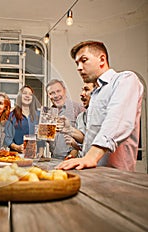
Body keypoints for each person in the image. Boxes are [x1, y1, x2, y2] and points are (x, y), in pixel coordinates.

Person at [56, 40, 143, 172]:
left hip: (115, 176)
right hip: (91, 172)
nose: (79, 67)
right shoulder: (95, 94)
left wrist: (90, 157)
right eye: (77, 63)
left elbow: (117, 121)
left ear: (102, 59)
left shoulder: (125, 79)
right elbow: (91, 136)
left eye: (84, 60)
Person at [46, 79, 85, 160]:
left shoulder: (78, 108)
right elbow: (48, 139)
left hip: (72, 159)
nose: (56, 95)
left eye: (58, 91)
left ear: (65, 91)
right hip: (54, 158)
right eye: (51, 93)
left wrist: (73, 153)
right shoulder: (49, 113)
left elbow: (88, 138)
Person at [4, 85, 44, 157]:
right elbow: (7, 138)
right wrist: (17, 147)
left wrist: (41, 153)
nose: (27, 96)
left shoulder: (39, 115)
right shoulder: (11, 115)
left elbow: (41, 138)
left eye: (30, 94)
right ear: (20, 96)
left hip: (34, 156)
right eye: (25, 93)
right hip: (16, 156)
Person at [62, 81, 97, 160]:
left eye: (86, 90)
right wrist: (71, 157)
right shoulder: (80, 117)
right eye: (82, 90)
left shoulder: (104, 116)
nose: (81, 94)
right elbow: (77, 148)